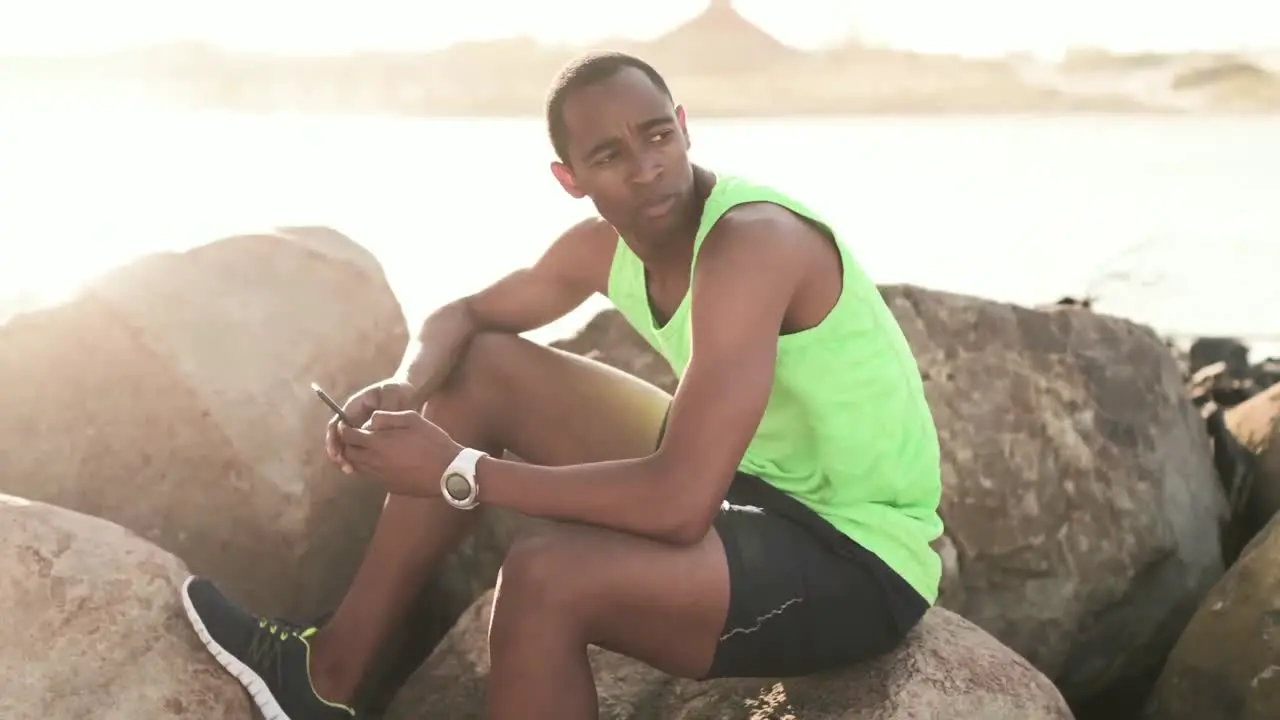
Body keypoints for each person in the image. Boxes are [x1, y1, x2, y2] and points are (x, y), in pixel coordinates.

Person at [179, 50, 944, 720]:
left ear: (683, 125)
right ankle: (326, 676)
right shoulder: (604, 248)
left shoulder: (752, 243)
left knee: (546, 577)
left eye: (656, 134)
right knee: (485, 368)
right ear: (569, 178)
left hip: (853, 556)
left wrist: (459, 472)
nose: (646, 168)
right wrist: (410, 386)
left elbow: (679, 506)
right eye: (609, 155)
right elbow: (467, 314)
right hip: (759, 483)